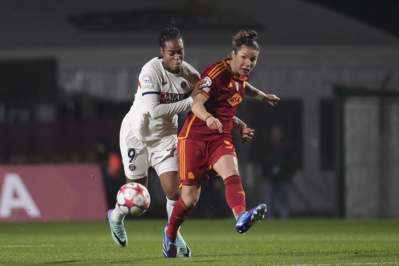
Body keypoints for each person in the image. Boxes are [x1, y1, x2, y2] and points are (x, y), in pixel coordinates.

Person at [107, 23, 253, 258]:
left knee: (176, 192)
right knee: (137, 192)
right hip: (136, 135)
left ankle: (174, 235)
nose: (177, 57)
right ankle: (115, 217)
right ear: (162, 52)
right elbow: (154, 111)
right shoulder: (150, 71)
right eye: (171, 52)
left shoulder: (190, 74)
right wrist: (191, 103)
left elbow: (215, 104)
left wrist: (239, 124)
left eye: (180, 51)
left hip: (165, 138)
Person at [162, 30, 280, 258]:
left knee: (232, 172)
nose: (248, 63)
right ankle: (171, 233)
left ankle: (241, 216)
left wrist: (261, 99)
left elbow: (244, 90)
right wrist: (208, 118)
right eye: (244, 57)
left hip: (220, 138)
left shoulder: (240, 77)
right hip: (194, 138)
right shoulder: (215, 74)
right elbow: (196, 106)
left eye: (253, 59)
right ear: (233, 54)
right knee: (189, 199)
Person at [261, 125, 298, 219]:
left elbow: (292, 161)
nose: (276, 134)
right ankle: (270, 220)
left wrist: (287, 174)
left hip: (283, 178)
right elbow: (262, 160)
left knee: (284, 201)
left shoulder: (287, 145)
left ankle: (284, 220)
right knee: (268, 201)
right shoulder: (267, 145)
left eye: (278, 132)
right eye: (275, 132)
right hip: (269, 178)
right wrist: (268, 172)